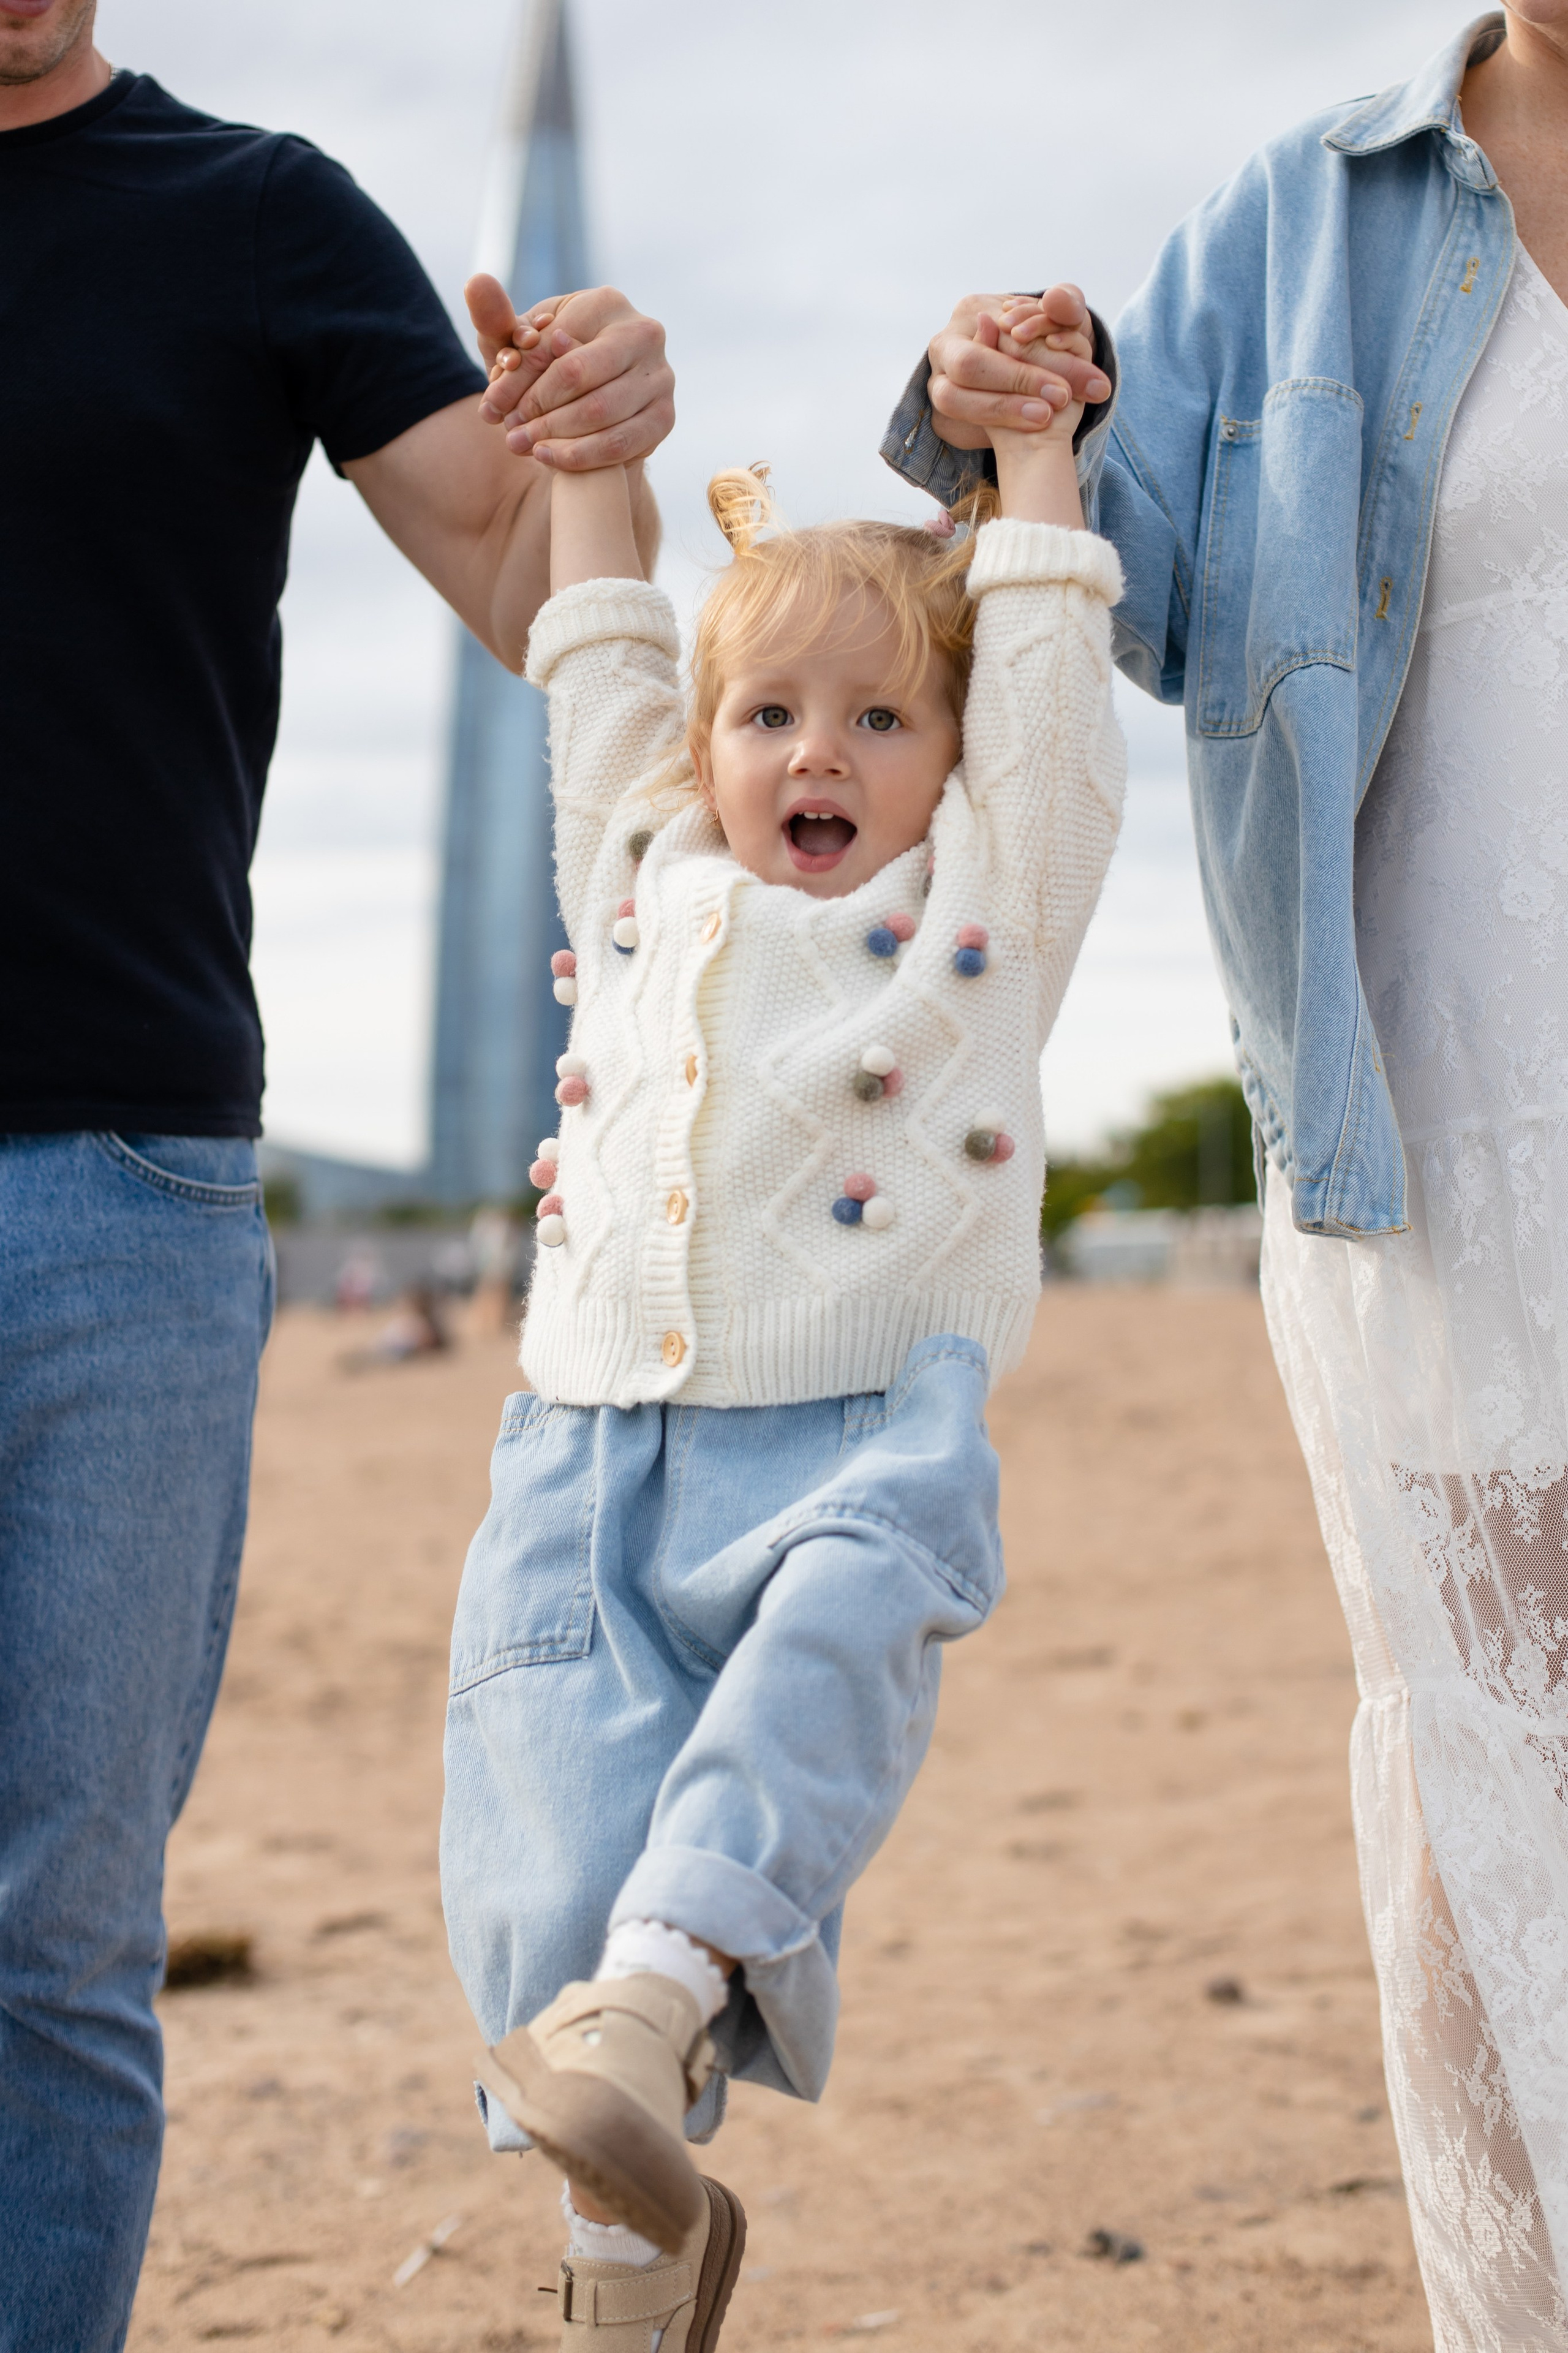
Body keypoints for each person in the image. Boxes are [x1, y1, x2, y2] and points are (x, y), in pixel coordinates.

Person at [886, 8, 1568, 2343]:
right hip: (1452, 1133)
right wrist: (998, 415)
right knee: (1489, 1775)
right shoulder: (1310, 220)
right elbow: (1112, 589)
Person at [0, 5, 673, 2348]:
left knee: (55, 1941)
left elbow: (527, 584)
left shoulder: (257, 214)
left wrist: (597, 433)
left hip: (125, 1190)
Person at [437, 303, 1126, 2349]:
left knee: (777, 1745)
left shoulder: (988, 905)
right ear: (701, 750)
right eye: (768, 717)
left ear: (956, 754)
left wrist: (1037, 464)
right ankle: (633, 2248)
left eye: (878, 718)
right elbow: (600, 660)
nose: (812, 751)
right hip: (581, 1448)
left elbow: (1053, 686)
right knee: (560, 1890)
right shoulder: (633, 864)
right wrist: (579, 460)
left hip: (854, 1426)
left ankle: (667, 1987)